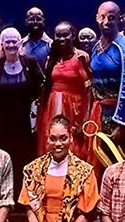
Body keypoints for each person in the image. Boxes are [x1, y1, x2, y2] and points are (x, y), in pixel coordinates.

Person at [0, 27, 45, 199]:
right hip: (4, 123)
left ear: (20, 43)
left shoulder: (30, 62)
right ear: (1, 44)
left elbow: (41, 87)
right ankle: (7, 199)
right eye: (7, 41)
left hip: (26, 124)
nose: (10, 45)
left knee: (26, 160)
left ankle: (26, 199)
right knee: (5, 161)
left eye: (14, 41)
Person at [88, 2, 125, 152]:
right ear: (97, 18)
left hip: (118, 116)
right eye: (103, 17)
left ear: (119, 19)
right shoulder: (96, 47)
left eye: (111, 18)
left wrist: (122, 124)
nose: (106, 22)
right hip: (98, 113)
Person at [38, 21, 92, 161]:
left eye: (65, 35)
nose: (61, 39)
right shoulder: (52, 58)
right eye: (58, 35)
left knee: (72, 143)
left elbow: (88, 90)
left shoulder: (81, 57)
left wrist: (84, 119)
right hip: (52, 106)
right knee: (51, 141)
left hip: (74, 108)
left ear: (73, 36)